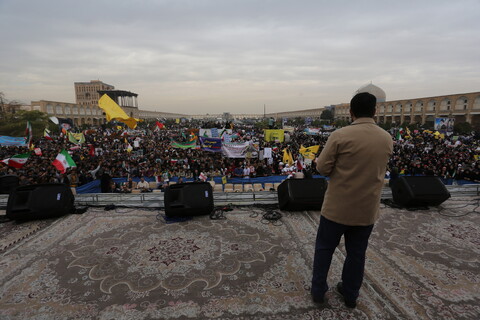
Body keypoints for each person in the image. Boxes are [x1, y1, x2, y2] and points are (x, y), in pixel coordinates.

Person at [311, 92, 393, 308]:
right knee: (356, 253)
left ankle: (318, 291)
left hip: (337, 207)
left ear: (351, 112)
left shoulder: (340, 135)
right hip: (366, 209)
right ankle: (350, 295)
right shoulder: (386, 138)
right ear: (375, 111)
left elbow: (322, 168)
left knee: (324, 249)